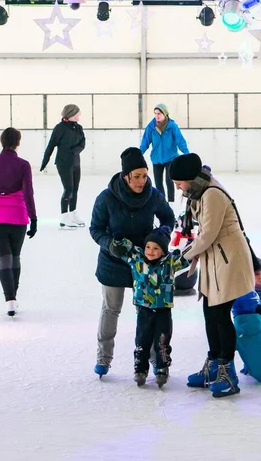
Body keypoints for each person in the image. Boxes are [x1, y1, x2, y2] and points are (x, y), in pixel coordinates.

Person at [170, 153, 255, 399]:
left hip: (227, 259)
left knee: (219, 314)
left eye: (179, 183)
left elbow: (207, 235)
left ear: (190, 179)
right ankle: (214, 366)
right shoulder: (200, 191)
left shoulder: (212, 194)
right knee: (210, 311)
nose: (178, 188)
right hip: (214, 259)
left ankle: (228, 374)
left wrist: (182, 257)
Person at [90, 147, 175, 377]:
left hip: (145, 265)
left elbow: (168, 217)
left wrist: (162, 236)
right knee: (111, 309)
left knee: (147, 314)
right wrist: (109, 244)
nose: (141, 181)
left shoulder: (153, 195)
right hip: (113, 263)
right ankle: (103, 357)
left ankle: (155, 359)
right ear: (125, 176)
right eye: (136, 176)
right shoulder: (107, 198)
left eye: (144, 175)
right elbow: (95, 229)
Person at [109, 226, 189, 388]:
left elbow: (187, 258)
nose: (150, 251)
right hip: (143, 308)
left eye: (156, 248)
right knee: (142, 340)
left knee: (162, 340)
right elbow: (123, 249)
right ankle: (140, 369)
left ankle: (162, 368)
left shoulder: (169, 263)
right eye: (148, 247)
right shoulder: (136, 259)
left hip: (163, 309)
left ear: (163, 251)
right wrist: (118, 239)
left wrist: (189, 246)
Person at [0, 128, 37, 317]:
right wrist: (34, 218)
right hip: (17, 216)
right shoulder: (23, 165)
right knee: (15, 257)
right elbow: (28, 192)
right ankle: (13, 297)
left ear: (1, 141)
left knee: (4, 258)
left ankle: (9, 300)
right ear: (18, 143)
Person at [40, 104, 86, 229]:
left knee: (75, 189)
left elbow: (83, 143)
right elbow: (51, 145)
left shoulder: (78, 128)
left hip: (75, 162)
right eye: (77, 113)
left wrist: (74, 151)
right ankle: (64, 216)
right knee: (68, 189)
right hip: (63, 163)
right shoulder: (59, 128)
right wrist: (45, 161)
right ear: (71, 114)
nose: (79, 115)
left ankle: (73, 213)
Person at [140, 103, 189, 204]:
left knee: (169, 180)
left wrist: (187, 153)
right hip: (156, 159)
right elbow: (145, 142)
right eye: (155, 113)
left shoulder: (172, 126)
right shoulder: (151, 127)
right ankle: (161, 201)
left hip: (171, 158)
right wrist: (139, 153)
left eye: (159, 113)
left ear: (165, 114)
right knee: (158, 182)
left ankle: (171, 201)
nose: (157, 116)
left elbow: (180, 140)